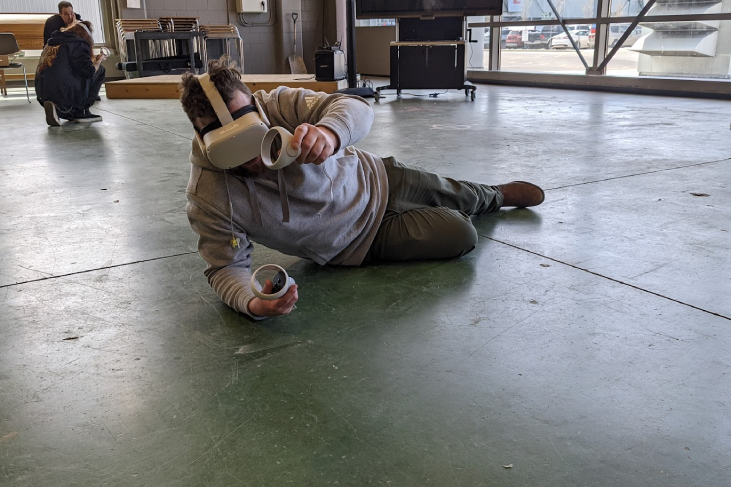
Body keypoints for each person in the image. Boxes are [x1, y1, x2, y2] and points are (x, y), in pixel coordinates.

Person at [180, 58, 545, 320]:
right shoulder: (208, 195)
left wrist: (330, 132)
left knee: (462, 194)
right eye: (234, 153)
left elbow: (352, 105)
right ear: (204, 140)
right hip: (358, 243)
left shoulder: (279, 105)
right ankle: (463, 209)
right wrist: (253, 303)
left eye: (253, 140)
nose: (253, 161)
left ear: (258, 110)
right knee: (461, 232)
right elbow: (225, 268)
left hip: (377, 176)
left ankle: (495, 196)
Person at [35, 20, 107, 126]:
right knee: (100, 70)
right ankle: (82, 111)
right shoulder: (78, 43)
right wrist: (99, 60)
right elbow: (88, 71)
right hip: (62, 91)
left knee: (77, 75)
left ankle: (60, 108)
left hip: (42, 92)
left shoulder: (53, 42)